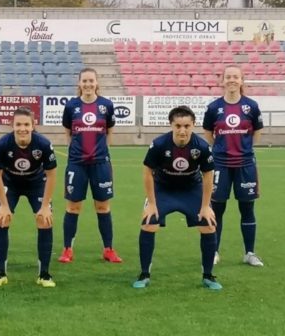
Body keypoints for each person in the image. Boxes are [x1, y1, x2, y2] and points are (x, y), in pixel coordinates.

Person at [134, 105, 221, 290]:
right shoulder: (159, 144)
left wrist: (206, 206)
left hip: (191, 188)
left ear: (193, 125)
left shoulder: (202, 147)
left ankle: (208, 275)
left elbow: (208, 176)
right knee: (149, 221)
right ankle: (144, 273)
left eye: (187, 126)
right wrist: (151, 203)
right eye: (178, 126)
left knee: (208, 224)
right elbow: (147, 172)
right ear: (171, 125)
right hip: (163, 188)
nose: (182, 130)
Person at [202, 65, 265, 267]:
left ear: (241, 80)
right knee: (217, 209)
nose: (231, 80)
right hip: (220, 164)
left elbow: (256, 132)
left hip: (245, 164)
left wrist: (244, 150)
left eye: (235, 77)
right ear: (222, 81)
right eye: (228, 77)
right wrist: (221, 149)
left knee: (247, 208)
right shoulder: (213, 108)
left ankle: (249, 253)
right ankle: (214, 252)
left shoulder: (251, 106)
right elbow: (207, 133)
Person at [0, 107, 58, 288]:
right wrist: (3, 205)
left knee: (45, 220)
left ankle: (44, 274)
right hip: (10, 183)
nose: (22, 128)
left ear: (33, 125)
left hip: (37, 183)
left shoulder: (43, 144)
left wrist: (45, 207)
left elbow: (51, 176)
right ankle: (1, 273)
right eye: (18, 124)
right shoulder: (2, 145)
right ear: (12, 125)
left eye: (26, 124)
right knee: (2, 219)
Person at [58, 67, 122, 264]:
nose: (87, 84)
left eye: (91, 81)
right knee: (73, 207)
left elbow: (109, 130)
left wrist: (104, 151)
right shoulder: (71, 106)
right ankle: (68, 249)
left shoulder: (106, 105)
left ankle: (108, 249)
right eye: (84, 81)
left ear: (96, 83)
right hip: (77, 164)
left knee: (103, 207)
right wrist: (73, 151)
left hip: (100, 164)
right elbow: (68, 131)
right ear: (79, 83)